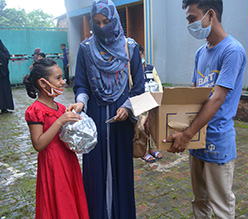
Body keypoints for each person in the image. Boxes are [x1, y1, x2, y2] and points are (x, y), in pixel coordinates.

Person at [164, 0, 247, 218]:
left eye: (192, 18)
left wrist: (187, 133)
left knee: (220, 206)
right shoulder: (201, 53)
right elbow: (195, 96)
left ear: (210, 15)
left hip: (218, 140)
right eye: (188, 20)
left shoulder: (232, 51)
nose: (190, 24)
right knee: (200, 201)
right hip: (197, 139)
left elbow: (217, 98)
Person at [69, 0, 144, 218]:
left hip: (121, 120)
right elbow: (81, 84)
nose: (101, 27)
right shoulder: (85, 49)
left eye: (106, 22)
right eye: (97, 23)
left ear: (114, 21)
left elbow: (139, 88)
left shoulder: (130, 48)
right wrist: (81, 102)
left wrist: (128, 107)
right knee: (94, 171)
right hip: (95, 117)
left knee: (121, 170)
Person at [23, 58, 89, 218]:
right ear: (43, 83)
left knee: (72, 199)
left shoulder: (60, 107)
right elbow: (38, 144)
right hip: (53, 164)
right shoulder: (35, 110)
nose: (63, 82)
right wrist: (60, 121)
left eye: (62, 77)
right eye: (58, 78)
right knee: (60, 202)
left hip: (69, 160)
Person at [138, 44, 163, 163]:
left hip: (153, 101)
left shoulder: (150, 68)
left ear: (143, 54)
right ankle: (144, 151)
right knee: (142, 127)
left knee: (152, 125)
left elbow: (158, 82)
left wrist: (160, 97)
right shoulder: (132, 70)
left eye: (140, 54)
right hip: (141, 103)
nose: (138, 57)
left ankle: (152, 148)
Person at [0, 39, 14, 114]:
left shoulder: (3, 52)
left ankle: (4, 107)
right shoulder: (4, 52)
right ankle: (4, 107)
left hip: (3, 74)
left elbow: (6, 57)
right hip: (4, 74)